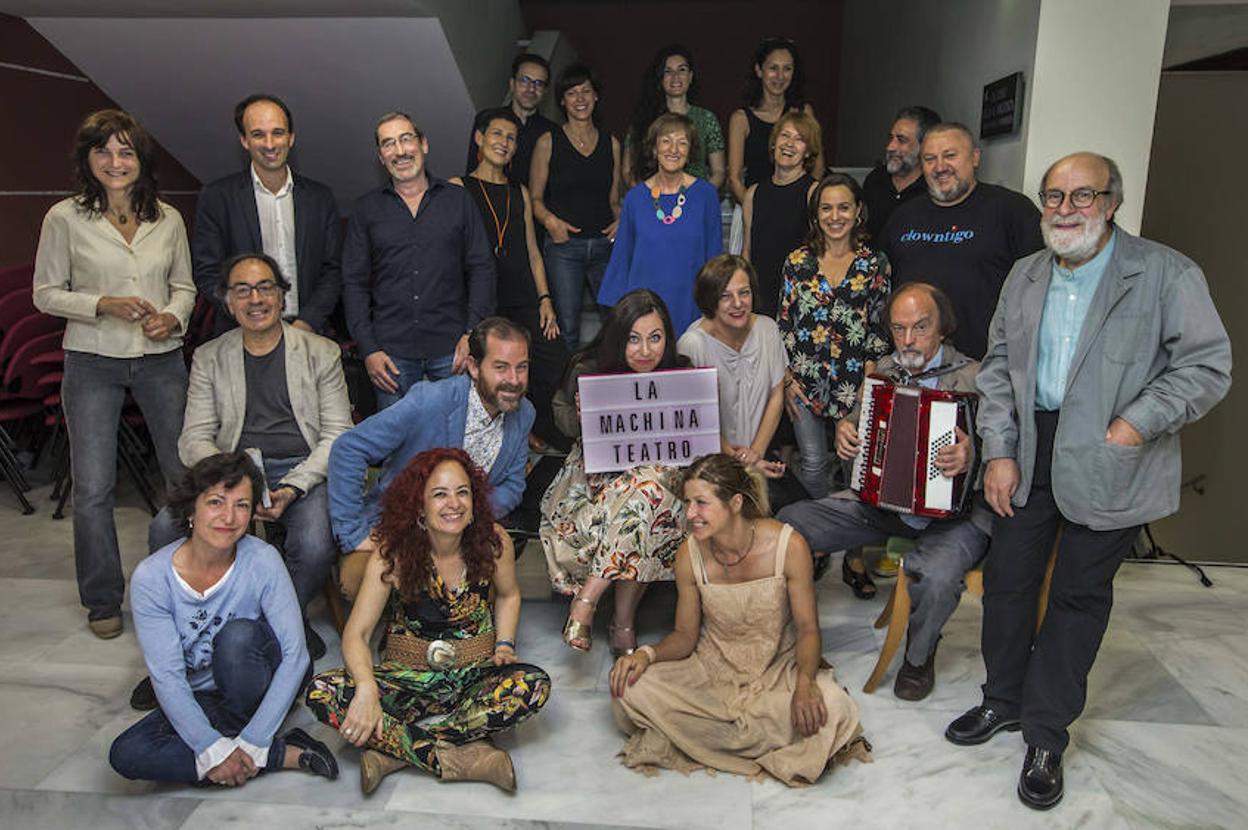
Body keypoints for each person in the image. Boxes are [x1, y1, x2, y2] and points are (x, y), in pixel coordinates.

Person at [945, 153, 1231, 810]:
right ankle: (1003, 702)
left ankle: (1046, 734)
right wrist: (1000, 451)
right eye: (1053, 196)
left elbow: (1207, 367)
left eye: (1082, 195)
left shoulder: (1164, 273)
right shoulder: (1025, 275)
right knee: (1008, 584)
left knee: (1077, 597)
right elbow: (996, 371)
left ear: (1111, 203)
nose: (1066, 209)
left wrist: (1137, 422)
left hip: (1111, 458)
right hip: (1028, 450)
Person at [778, 283, 990, 699]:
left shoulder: (975, 376)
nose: (908, 340)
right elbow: (857, 423)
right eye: (899, 329)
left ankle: (918, 656)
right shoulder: (883, 374)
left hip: (953, 517)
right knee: (789, 525)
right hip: (883, 506)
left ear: (942, 328)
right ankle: (788, 633)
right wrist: (845, 432)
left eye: (920, 327)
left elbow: (1007, 444)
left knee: (939, 576)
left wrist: (973, 454)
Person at [32, 109, 195, 639]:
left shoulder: (167, 218)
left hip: (160, 356)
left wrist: (173, 316)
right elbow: (46, 293)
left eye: (125, 151)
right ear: (88, 160)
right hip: (93, 360)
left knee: (182, 476)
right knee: (95, 486)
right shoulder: (64, 218)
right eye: (104, 151)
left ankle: (185, 583)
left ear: (141, 160)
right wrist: (101, 302)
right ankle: (102, 598)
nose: (115, 161)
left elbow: (185, 288)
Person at [609, 453, 869, 785]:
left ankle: (713, 736)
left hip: (779, 671)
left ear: (734, 503)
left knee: (834, 707)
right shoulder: (689, 554)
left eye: (701, 504)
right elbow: (685, 636)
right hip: (711, 672)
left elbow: (807, 629)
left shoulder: (789, 546)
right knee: (627, 692)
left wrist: (805, 684)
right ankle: (757, 738)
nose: (690, 514)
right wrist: (646, 655)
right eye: (688, 503)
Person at [307, 448, 550, 794]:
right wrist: (364, 688)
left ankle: (394, 752)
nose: (454, 503)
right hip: (408, 678)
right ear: (419, 505)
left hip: (473, 676)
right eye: (440, 494)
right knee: (322, 692)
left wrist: (505, 644)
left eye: (462, 492)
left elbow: (509, 595)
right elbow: (356, 633)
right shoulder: (392, 553)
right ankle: (467, 756)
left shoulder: (495, 543)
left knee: (534, 684)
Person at [147, 251, 352, 659]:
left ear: (281, 296)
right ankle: (187, 630)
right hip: (233, 471)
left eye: (265, 288)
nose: (255, 299)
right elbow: (193, 440)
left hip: (303, 470)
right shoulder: (209, 356)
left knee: (315, 543)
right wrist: (237, 480)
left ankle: (276, 622)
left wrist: (293, 487)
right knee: (164, 528)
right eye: (242, 290)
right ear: (228, 301)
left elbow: (338, 436)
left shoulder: (321, 353)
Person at [109, 452, 338, 786]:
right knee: (126, 753)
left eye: (242, 505)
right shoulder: (152, 578)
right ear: (191, 508)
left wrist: (252, 740)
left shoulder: (263, 559)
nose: (229, 517)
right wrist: (211, 747)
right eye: (216, 502)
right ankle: (278, 754)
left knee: (238, 637)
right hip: (203, 699)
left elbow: (296, 655)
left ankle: (248, 742)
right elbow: (168, 678)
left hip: (255, 679)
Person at [329, 317, 535, 599]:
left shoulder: (525, 413)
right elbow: (349, 449)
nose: (513, 380)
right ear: (473, 367)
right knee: (360, 579)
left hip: (463, 531)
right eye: (500, 367)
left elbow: (513, 485)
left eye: (521, 367)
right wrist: (353, 534)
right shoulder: (430, 400)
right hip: (399, 525)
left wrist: (464, 518)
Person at [542, 290, 689, 657]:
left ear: (667, 338)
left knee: (651, 489)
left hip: (659, 487)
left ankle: (589, 600)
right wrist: (581, 417)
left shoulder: (682, 373)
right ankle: (622, 622)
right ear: (617, 337)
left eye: (655, 338)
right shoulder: (589, 367)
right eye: (633, 339)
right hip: (593, 484)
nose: (645, 351)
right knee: (648, 498)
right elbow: (559, 422)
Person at [342, 111, 496, 409]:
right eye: (388, 144)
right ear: (381, 156)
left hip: (453, 348)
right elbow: (353, 283)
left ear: (423, 144)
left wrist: (472, 333)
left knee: (457, 444)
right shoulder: (366, 210)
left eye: (406, 139)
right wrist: (368, 348)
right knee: (399, 450)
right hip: (390, 355)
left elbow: (481, 268)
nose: (399, 151)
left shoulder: (458, 200)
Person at [453, 107, 570, 452]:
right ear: (479, 137)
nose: (503, 143)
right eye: (496, 134)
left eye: (511, 138)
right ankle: (513, 436)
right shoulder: (457, 188)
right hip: (482, 300)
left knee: (553, 360)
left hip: (523, 295)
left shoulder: (519, 192)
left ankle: (541, 432)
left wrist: (545, 299)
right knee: (494, 373)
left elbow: (533, 251)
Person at [879, 122, 1043, 359]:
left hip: (986, 369)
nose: (940, 167)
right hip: (913, 367)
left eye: (950, 156)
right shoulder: (902, 216)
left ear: (975, 157)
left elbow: (1040, 287)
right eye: (930, 159)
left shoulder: (1012, 211)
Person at [778, 173, 891, 502]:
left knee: (853, 464)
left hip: (855, 384)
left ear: (858, 211)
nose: (835, 216)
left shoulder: (874, 264)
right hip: (803, 382)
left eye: (843, 207)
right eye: (826, 208)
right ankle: (819, 538)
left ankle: (848, 547)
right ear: (816, 215)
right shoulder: (798, 262)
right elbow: (784, 323)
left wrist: (870, 382)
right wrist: (786, 380)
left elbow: (879, 327)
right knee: (812, 465)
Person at [192, 93, 342, 336]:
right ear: (244, 140)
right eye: (258, 134)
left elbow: (333, 270)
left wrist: (308, 322)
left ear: (291, 138)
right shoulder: (217, 197)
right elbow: (208, 271)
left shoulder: (320, 198)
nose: (270, 144)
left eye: (278, 133)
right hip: (240, 333)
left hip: (308, 332)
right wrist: (247, 316)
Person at [597, 112, 723, 334]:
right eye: (666, 141)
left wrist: (715, 307)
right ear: (654, 149)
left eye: (682, 143)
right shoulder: (635, 198)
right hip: (643, 311)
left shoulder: (706, 195)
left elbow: (715, 258)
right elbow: (622, 257)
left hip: (691, 307)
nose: (673, 149)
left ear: (690, 151)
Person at [529, 64, 620, 350]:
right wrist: (551, 222)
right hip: (564, 248)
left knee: (617, 324)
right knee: (566, 329)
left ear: (596, 97)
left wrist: (622, 220)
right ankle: (566, 393)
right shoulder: (548, 141)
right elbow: (534, 198)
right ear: (561, 100)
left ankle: (614, 386)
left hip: (605, 246)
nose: (580, 99)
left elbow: (614, 199)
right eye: (571, 93)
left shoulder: (612, 144)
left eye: (586, 91)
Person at [677, 255, 787, 481]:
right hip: (710, 467)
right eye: (725, 296)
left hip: (759, 454)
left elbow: (777, 394)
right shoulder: (692, 344)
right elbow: (694, 418)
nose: (738, 303)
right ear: (710, 300)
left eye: (744, 292)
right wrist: (738, 461)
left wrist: (755, 454)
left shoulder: (768, 330)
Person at [727, 37, 823, 207]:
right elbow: (735, 179)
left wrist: (806, 205)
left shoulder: (804, 112)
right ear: (759, 70)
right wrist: (755, 211)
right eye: (773, 68)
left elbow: (818, 166)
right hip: (753, 208)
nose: (780, 76)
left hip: (798, 208)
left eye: (787, 69)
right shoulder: (740, 119)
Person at [741, 111, 821, 316]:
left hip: (800, 301)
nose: (789, 144)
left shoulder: (814, 193)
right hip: (761, 301)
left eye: (799, 139)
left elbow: (823, 252)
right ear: (774, 143)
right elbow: (747, 253)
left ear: (808, 152)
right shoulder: (753, 194)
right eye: (785, 136)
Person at [623, 44, 725, 189]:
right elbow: (628, 170)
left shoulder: (707, 118)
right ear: (660, 78)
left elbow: (719, 172)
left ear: (691, 76)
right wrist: (644, 198)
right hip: (652, 203)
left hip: (694, 203)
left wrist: (699, 197)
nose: (675, 77)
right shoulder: (644, 117)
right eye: (668, 71)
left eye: (681, 70)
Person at [462, 53, 556, 188]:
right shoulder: (488, 119)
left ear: (545, 91)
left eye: (538, 83)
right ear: (512, 84)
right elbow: (473, 170)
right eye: (524, 80)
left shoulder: (552, 131)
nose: (531, 89)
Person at [860, 105, 941, 241]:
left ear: (925, 146)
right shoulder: (875, 179)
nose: (890, 147)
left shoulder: (935, 189)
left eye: (901, 140)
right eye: (891, 138)